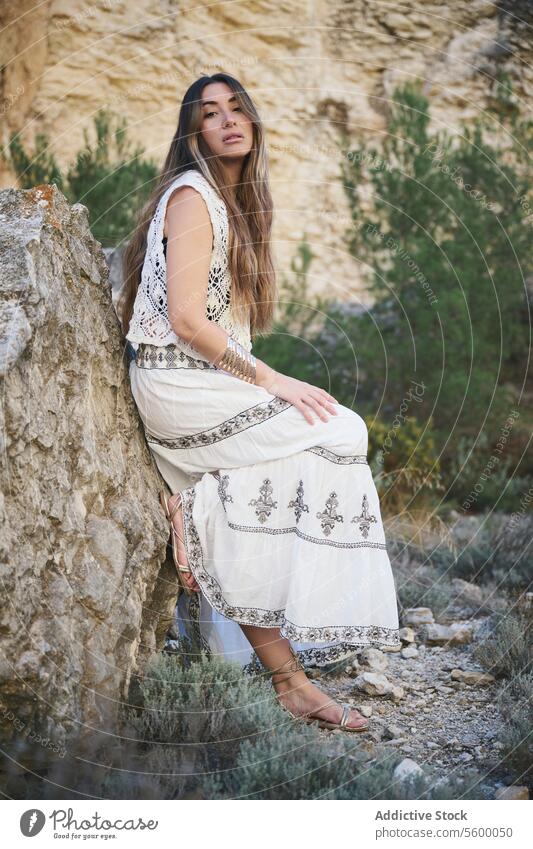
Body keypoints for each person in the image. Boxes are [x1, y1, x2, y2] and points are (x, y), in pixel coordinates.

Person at [119, 72, 400, 732]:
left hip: (202, 383)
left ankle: (290, 682)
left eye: (236, 107)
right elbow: (187, 320)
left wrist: (262, 382)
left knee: (254, 495)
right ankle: (198, 510)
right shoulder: (192, 196)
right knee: (341, 431)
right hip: (174, 384)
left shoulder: (234, 202)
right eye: (209, 114)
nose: (227, 121)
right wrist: (273, 381)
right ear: (193, 135)